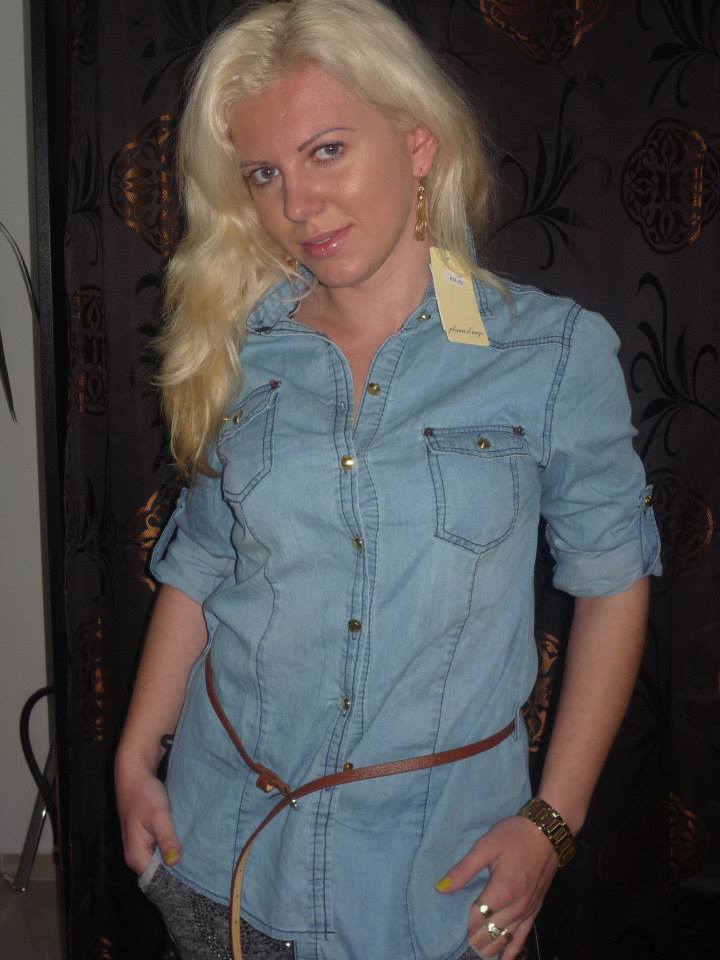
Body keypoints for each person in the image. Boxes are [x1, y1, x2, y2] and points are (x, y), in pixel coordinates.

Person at [114, 1, 662, 959]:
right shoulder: (236, 353)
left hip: (430, 884)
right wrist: (134, 755)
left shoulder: (552, 354)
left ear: (418, 143)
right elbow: (201, 564)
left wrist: (554, 819)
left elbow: (613, 582)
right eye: (264, 174)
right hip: (222, 843)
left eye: (327, 151)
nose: (297, 205)